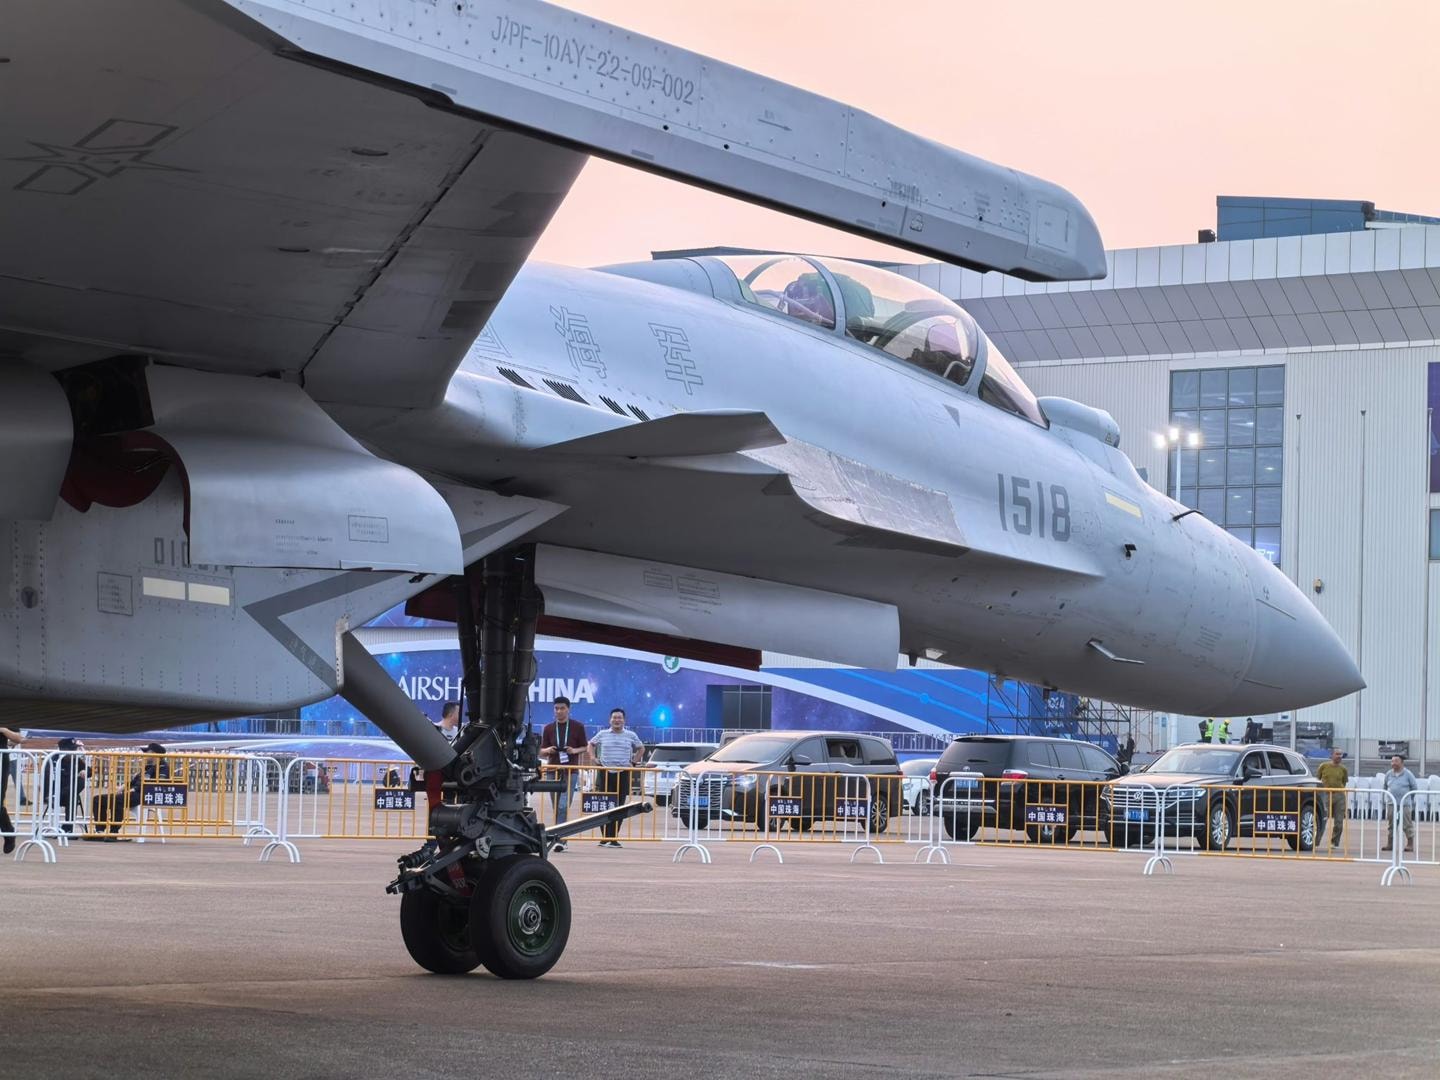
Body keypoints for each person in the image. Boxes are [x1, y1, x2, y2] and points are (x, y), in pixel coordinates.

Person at [587, 707, 644, 848]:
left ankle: (613, 837)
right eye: (614, 717)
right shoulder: (602, 734)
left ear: (624, 720)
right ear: (610, 720)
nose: (617, 720)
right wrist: (593, 758)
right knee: (604, 805)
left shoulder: (630, 735)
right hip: (605, 772)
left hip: (622, 773)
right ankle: (604, 837)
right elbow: (590, 744)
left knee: (619, 806)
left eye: (619, 718)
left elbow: (641, 748)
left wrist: (634, 762)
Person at [538, 696, 588, 850]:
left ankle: (560, 840)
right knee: (556, 806)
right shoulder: (548, 728)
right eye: (556, 708)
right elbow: (541, 751)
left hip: (570, 771)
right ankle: (559, 836)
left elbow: (584, 747)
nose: (559, 711)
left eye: (562, 708)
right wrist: (547, 750)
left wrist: (574, 750)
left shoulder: (577, 726)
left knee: (563, 806)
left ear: (568, 709)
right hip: (553, 770)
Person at [41, 737, 87, 834]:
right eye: (73, 749)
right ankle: (68, 829)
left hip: (67, 795)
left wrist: (84, 771)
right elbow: (46, 781)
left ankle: (68, 828)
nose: (75, 751)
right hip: (53, 795)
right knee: (73, 796)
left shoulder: (75, 759)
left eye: (75, 749)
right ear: (65, 750)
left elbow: (90, 771)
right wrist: (48, 796)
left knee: (79, 784)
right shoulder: (53, 760)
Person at [1381, 755, 1418, 853]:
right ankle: (1390, 844)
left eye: (1396, 761)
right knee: (1391, 824)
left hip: (1404, 804)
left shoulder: (1408, 774)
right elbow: (1385, 787)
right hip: (1391, 803)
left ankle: (1410, 844)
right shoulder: (1388, 774)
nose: (1393, 763)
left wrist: (1408, 799)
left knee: (1407, 824)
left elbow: (1414, 788)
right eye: (1392, 761)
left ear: (1402, 763)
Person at [1315, 748, 1349, 850]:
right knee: (1322, 819)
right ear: (1332, 755)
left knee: (1339, 821)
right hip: (1325, 795)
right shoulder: (1323, 766)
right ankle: (1316, 842)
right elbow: (1318, 779)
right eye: (1337, 754)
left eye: (1340, 755)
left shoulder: (1343, 769)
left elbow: (1344, 782)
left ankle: (1334, 842)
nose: (1339, 756)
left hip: (1339, 795)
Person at [0, 726, 25, 854]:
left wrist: (4, 731)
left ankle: (9, 832)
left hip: (1, 763)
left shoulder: (8, 715)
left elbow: (19, 739)